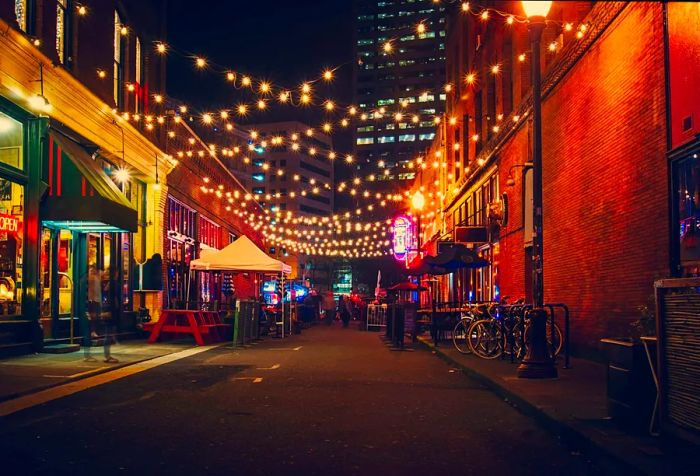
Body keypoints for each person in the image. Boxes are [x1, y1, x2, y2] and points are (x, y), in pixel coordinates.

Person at [84, 265, 118, 363]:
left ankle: (89, 355)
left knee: (92, 329)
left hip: (94, 304)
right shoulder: (94, 278)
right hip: (93, 303)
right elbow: (94, 294)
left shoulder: (97, 280)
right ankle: (90, 355)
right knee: (91, 329)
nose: (104, 273)